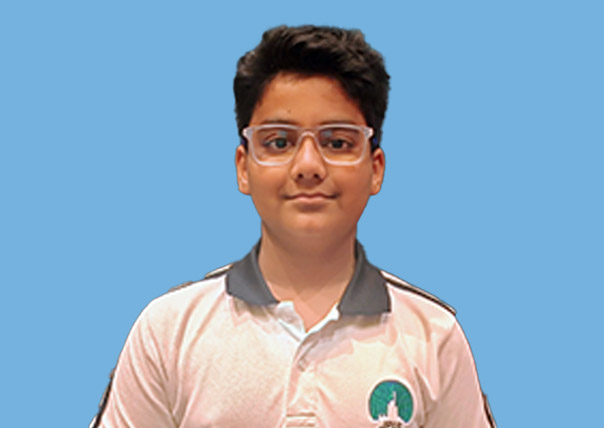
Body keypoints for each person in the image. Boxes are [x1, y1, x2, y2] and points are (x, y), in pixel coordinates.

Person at [91, 25, 496, 428]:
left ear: (375, 169)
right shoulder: (169, 331)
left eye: (337, 142)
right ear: (243, 167)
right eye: (279, 142)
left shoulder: (432, 337)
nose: (308, 166)